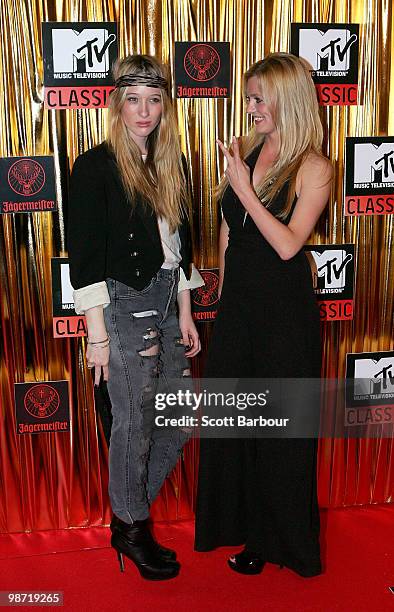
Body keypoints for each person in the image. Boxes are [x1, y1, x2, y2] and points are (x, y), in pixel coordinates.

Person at [195, 52, 332, 577]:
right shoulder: (248, 152)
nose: (250, 107)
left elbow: (288, 245)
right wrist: (227, 302)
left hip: (283, 314)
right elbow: (231, 234)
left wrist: (244, 190)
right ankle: (252, 536)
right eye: (248, 97)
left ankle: (290, 546)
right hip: (242, 310)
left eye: (259, 99)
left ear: (287, 101)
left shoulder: (315, 167)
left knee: (282, 431)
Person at [68, 54, 203, 581]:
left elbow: (179, 246)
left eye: (153, 100)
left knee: (178, 416)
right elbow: (85, 257)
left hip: (169, 299)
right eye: (133, 100)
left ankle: (128, 517)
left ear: (164, 105)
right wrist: (96, 336)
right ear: (116, 104)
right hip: (123, 305)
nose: (144, 111)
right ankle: (132, 523)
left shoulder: (172, 162)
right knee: (133, 424)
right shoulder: (96, 165)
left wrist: (187, 310)